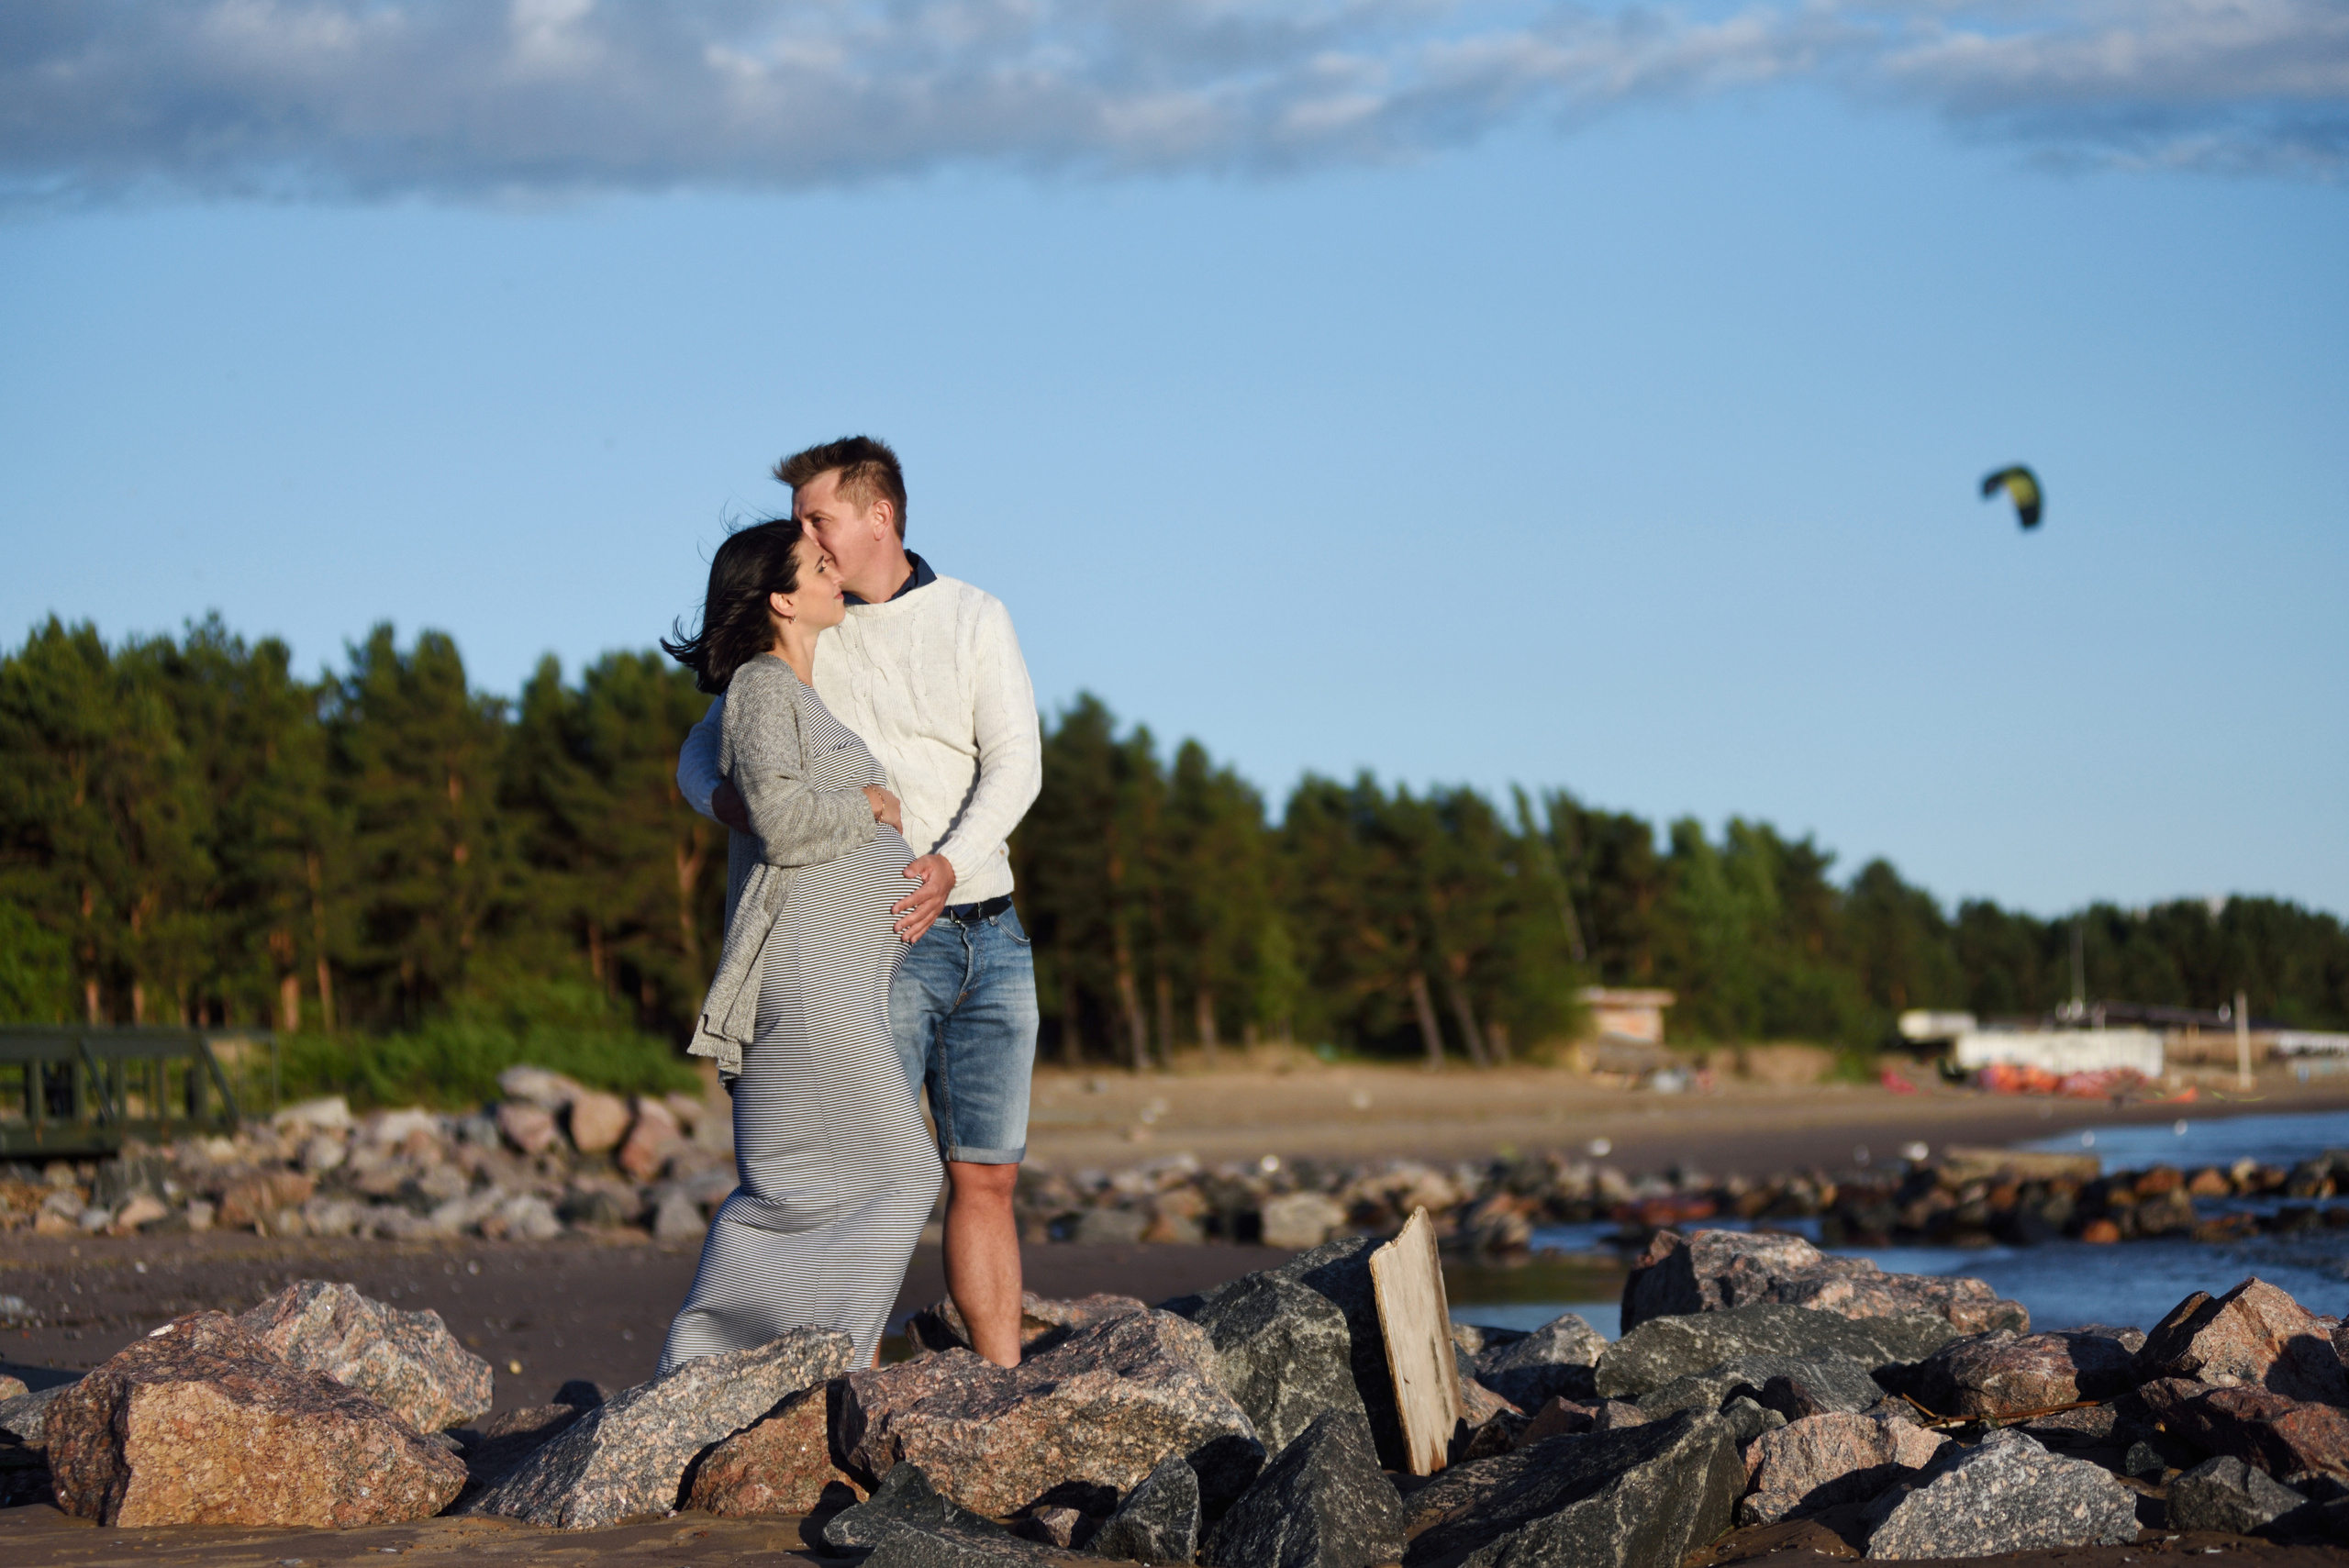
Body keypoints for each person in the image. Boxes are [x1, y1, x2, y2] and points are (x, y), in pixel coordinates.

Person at [676, 436, 1042, 1367]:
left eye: (815, 516)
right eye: (802, 522)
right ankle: (837, 1383)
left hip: (988, 932)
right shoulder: (808, 624)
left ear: (878, 516)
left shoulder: (971, 615)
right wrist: (729, 802)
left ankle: (997, 1387)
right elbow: (699, 751)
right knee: (868, 1171)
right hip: (876, 942)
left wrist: (951, 865)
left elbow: (1016, 764)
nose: (803, 534)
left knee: (986, 1174)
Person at [655, 517, 940, 1373]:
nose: (835, 572)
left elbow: (708, 761)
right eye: (820, 564)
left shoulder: (783, 689)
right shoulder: (764, 688)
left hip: (833, 981)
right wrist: (871, 807)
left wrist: (723, 795)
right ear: (782, 597)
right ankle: (771, 1363)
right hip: (809, 982)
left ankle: (756, 1365)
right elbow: (780, 820)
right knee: (893, 1175)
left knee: (811, 1186)